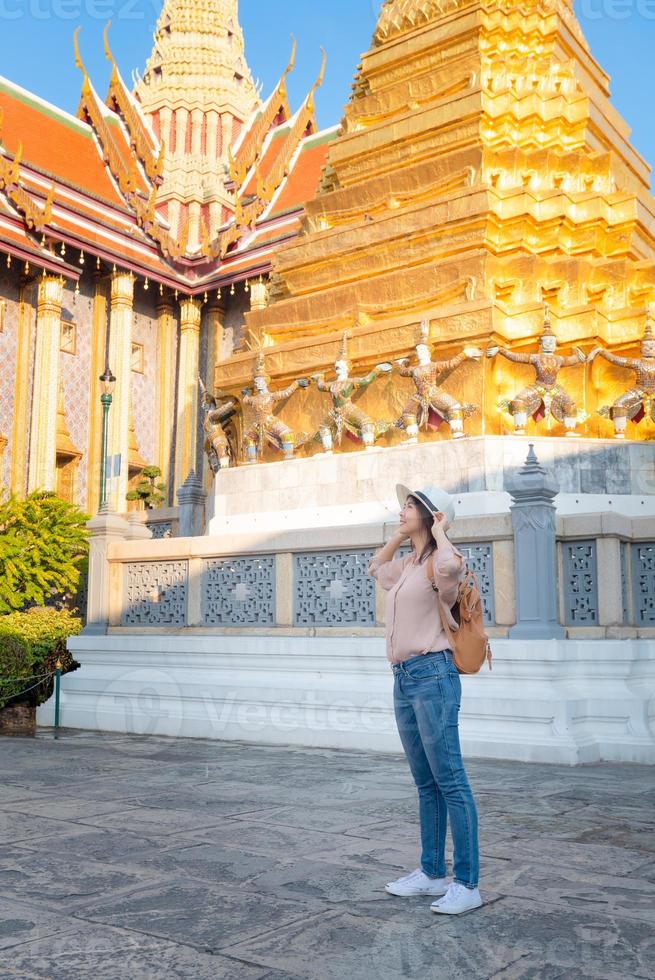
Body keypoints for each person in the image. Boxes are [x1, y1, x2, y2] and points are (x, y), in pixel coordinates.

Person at [366, 482, 483, 915]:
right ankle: (432, 873)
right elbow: (374, 569)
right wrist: (398, 537)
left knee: (450, 780)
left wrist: (442, 531)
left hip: (434, 676)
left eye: (411, 506)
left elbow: (453, 567)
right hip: (404, 678)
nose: (402, 509)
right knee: (426, 782)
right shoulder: (409, 564)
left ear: (432, 516)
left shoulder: (439, 565)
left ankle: (468, 884)